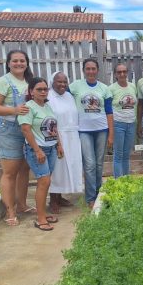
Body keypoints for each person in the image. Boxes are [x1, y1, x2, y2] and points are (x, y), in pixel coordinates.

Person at [0, 50, 33, 226]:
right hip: (8, 130)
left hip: (26, 130)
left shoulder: (29, 81)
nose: (19, 63)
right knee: (10, 172)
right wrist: (14, 110)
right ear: (8, 63)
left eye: (22, 61)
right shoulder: (3, 81)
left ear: (27, 63)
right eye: (15, 61)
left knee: (24, 169)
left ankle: (22, 205)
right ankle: (10, 210)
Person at [18, 77, 64, 231]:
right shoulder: (28, 108)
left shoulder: (47, 106)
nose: (43, 92)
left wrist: (59, 144)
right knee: (44, 182)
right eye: (39, 89)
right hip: (37, 150)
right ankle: (40, 218)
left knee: (45, 182)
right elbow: (25, 129)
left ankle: (43, 213)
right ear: (31, 91)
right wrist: (37, 150)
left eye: (45, 89)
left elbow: (53, 127)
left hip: (51, 148)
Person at [69, 58, 114, 207]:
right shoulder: (75, 86)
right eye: (88, 69)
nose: (91, 71)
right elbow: (62, 99)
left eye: (93, 69)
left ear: (97, 70)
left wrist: (111, 133)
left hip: (101, 129)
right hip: (83, 131)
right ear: (84, 70)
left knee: (99, 164)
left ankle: (98, 193)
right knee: (89, 164)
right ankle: (90, 198)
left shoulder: (104, 89)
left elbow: (109, 112)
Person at [47, 72, 83, 213]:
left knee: (69, 167)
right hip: (58, 136)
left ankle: (60, 197)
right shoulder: (49, 97)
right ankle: (53, 200)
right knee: (57, 169)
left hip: (72, 136)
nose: (62, 84)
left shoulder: (69, 96)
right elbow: (50, 121)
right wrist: (57, 141)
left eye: (65, 82)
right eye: (59, 82)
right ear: (52, 82)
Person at [109, 63, 137, 178]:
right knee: (118, 155)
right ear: (115, 74)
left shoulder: (132, 86)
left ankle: (126, 180)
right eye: (119, 72)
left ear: (127, 73)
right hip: (118, 124)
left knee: (126, 155)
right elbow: (108, 110)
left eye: (124, 71)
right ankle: (118, 182)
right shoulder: (111, 89)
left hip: (131, 124)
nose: (122, 74)